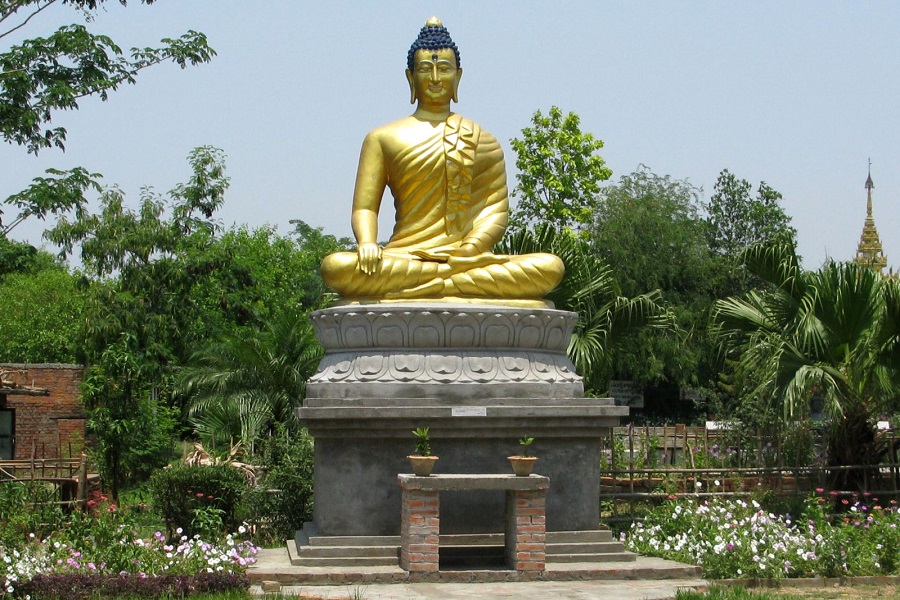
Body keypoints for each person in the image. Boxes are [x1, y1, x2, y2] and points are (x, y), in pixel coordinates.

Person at [321, 17, 563, 302]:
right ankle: (449, 284)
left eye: (444, 69)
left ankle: (432, 285)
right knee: (336, 267)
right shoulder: (382, 138)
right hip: (405, 257)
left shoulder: (483, 140)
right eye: (425, 69)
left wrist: (470, 250)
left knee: (549, 268)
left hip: (465, 259)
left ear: (458, 77)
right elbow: (365, 208)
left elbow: (495, 211)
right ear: (411, 78)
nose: (435, 78)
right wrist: (367, 243)